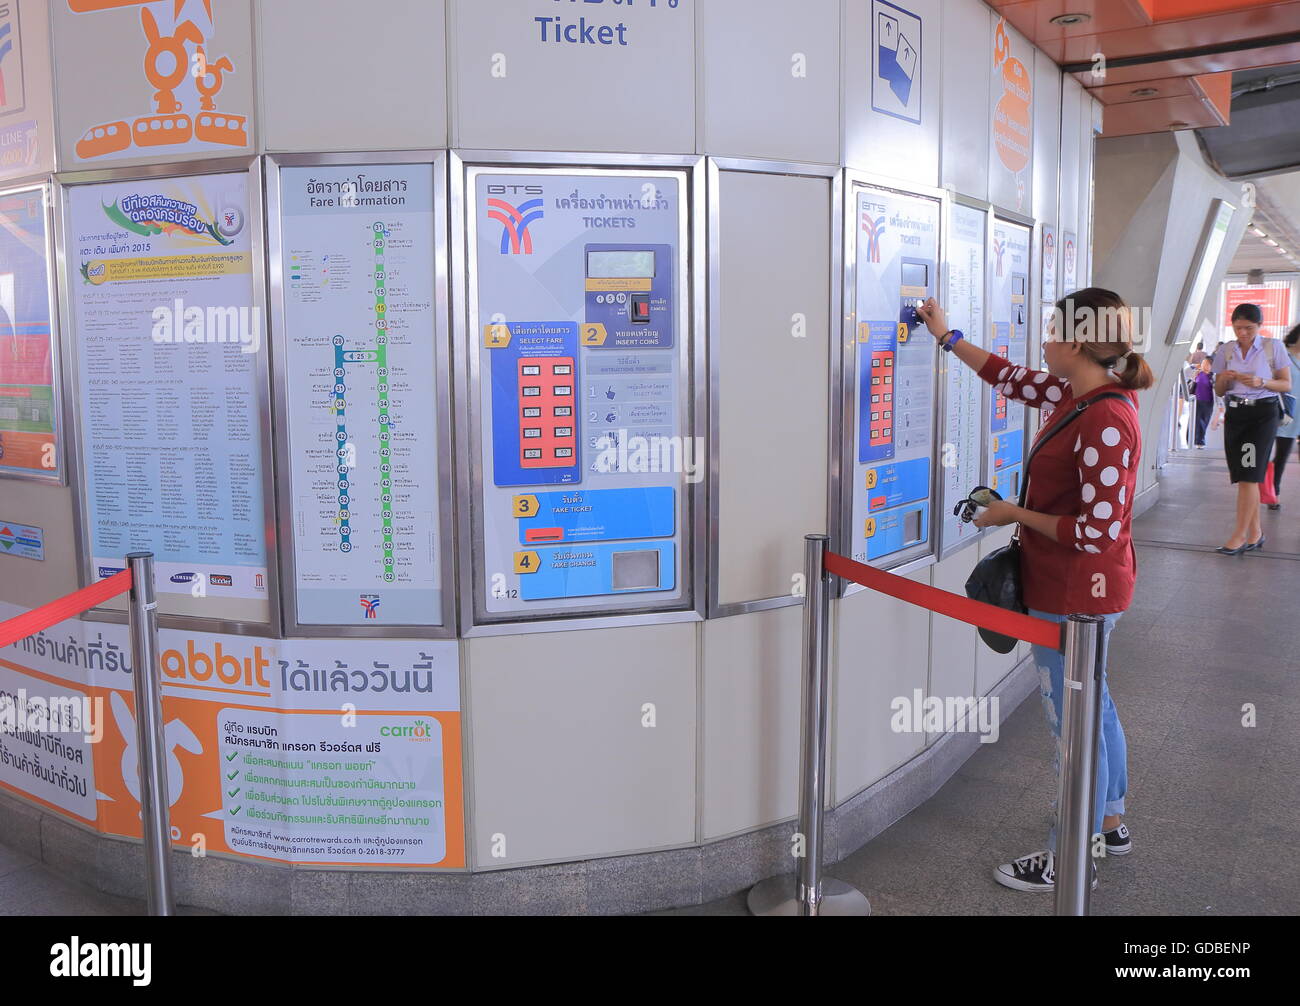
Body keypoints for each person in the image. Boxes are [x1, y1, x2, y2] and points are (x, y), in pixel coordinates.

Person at [917, 288, 1153, 893]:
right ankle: (1111, 822)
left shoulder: (1103, 418)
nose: (1042, 339)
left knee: (1071, 725)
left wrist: (1013, 516)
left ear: (1076, 342)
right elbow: (1011, 379)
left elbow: (1098, 531)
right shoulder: (1079, 394)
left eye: (1050, 330)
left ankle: (1075, 856)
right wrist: (947, 337)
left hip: (1076, 595)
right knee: (1094, 708)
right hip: (1086, 590)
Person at [1211, 304, 1293, 551]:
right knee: (1245, 475)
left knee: (1248, 475)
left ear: (1259, 325)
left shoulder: (1273, 347)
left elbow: (1286, 384)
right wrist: (1224, 379)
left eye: (1248, 328)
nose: (1243, 333)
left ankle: (1239, 536)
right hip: (1237, 414)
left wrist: (1262, 382)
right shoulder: (1225, 350)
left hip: (1262, 414)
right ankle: (1256, 533)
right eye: (1238, 328)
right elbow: (1219, 390)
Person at [1266, 324, 1300, 509]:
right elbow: (1272, 381)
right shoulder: (1283, 355)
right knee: (1275, 455)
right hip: (1282, 412)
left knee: (1283, 456)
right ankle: (1272, 492)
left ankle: (1272, 489)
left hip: (1298, 416)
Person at [1190, 356, 1216, 449]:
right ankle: (1192, 440)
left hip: (1207, 403)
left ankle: (1200, 441)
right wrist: (1194, 373)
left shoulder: (1212, 376)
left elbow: (1216, 391)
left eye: (1206, 364)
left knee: (1203, 422)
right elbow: (1186, 371)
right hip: (1197, 401)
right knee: (1194, 421)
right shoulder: (1198, 373)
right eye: (1203, 363)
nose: (1204, 365)